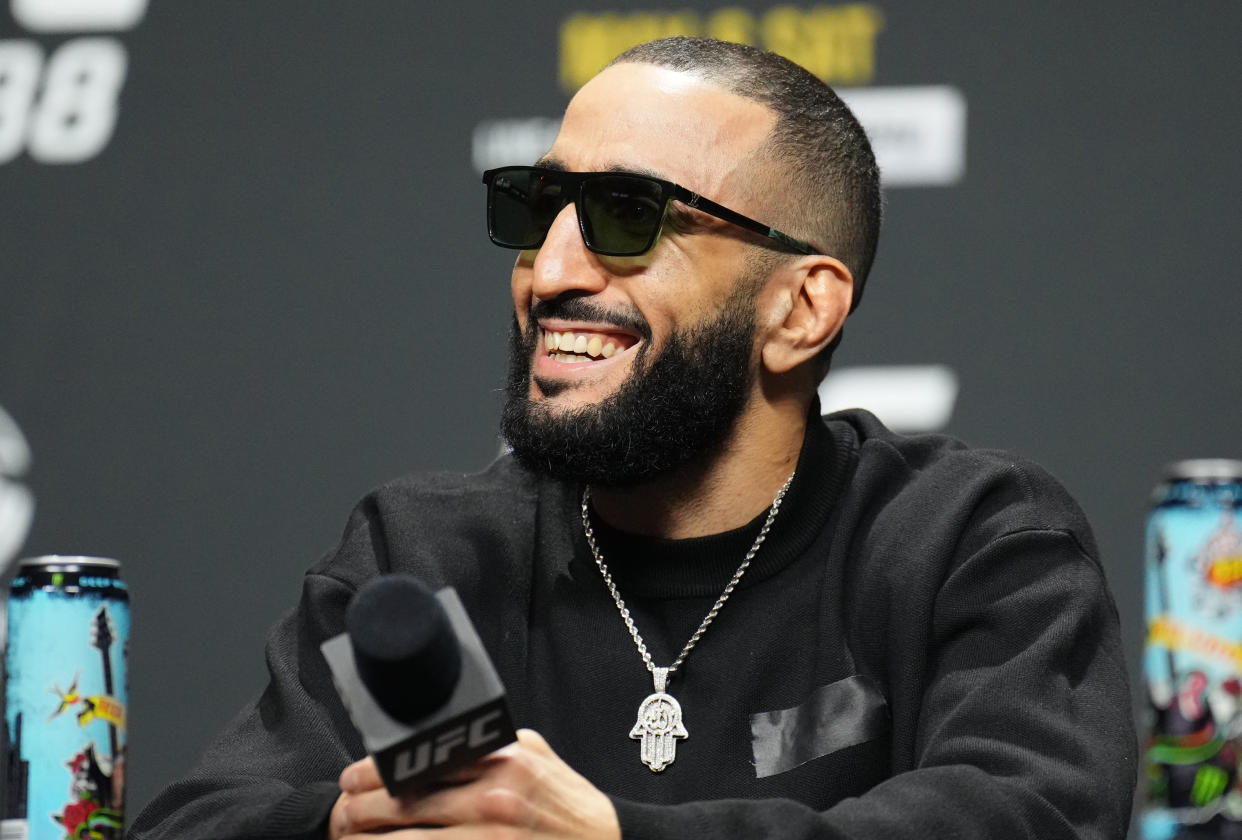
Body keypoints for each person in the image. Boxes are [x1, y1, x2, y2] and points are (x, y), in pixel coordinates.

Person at [132, 37, 1136, 840]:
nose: (550, 269)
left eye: (626, 216)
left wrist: (611, 837)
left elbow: (1033, 813)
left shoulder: (963, 540)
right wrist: (349, 824)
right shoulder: (428, 555)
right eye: (538, 207)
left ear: (799, 309)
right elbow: (205, 819)